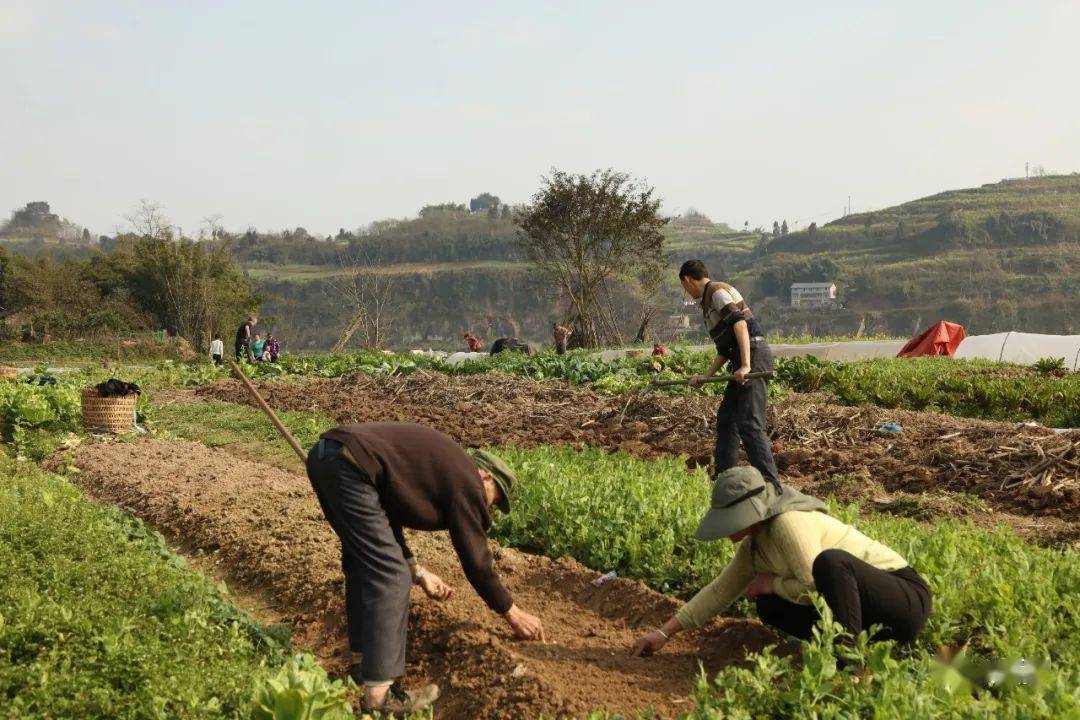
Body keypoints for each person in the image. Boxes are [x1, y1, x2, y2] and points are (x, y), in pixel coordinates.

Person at [306, 422, 545, 715]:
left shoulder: (439, 471)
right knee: (391, 576)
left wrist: (418, 572)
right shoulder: (468, 481)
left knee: (364, 563)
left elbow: (385, 519)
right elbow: (476, 560)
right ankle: (381, 696)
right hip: (348, 465)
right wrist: (512, 612)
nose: (489, 508)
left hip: (330, 458)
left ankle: (363, 666)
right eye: (495, 498)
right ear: (485, 476)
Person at [632, 467, 932, 658]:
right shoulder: (753, 546)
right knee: (769, 606)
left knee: (830, 562)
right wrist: (663, 633)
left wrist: (772, 584)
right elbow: (720, 591)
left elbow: (813, 586)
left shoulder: (788, 522)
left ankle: (849, 664)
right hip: (865, 614)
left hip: (903, 601)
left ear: (751, 511)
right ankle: (841, 653)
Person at [678, 260, 779, 488]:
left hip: (753, 353)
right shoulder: (708, 301)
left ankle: (772, 485)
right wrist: (705, 376)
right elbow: (724, 350)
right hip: (739, 356)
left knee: (750, 423)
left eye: (684, 286)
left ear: (687, 280)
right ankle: (725, 481)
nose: (686, 290)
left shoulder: (716, 291)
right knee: (727, 421)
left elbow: (740, 324)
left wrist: (746, 365)